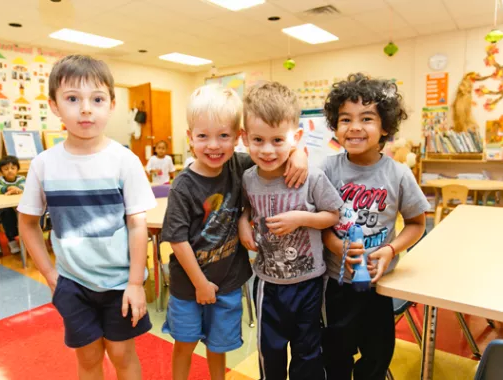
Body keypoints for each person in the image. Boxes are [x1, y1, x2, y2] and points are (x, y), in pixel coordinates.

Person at [18, 54, 156, 380]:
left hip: (121, 282)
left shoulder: (125, 161)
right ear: (54, 105)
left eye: (96, 99)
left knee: (122, 354)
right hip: (73, 283)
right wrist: (51, 274)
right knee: (89, 356)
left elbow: (138, 224)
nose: (85, 109)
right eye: (72, 99)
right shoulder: (44, 165)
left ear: (111, 104)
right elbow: (27, 222)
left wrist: (135, 283)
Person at [161, 83, 308, 380]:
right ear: (190, 138)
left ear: (237, 138)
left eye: (223, 136)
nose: (213, 146)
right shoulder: (183, 186)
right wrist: (200, 284)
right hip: (189, 285)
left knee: (219, 346)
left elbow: (276, 154)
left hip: (228, 283)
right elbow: (177, 241)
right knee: (185, 344)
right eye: (203, 136)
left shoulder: (240, 165)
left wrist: (299, 155)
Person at [320, 73, 430, 380]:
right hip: (336, 284)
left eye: (366, 118)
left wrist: (390, 250)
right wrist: (335, 245)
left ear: (385, 127)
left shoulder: (398, 174)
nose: (354, 127)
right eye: (345, 119)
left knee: (376, 357)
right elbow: (319, 223)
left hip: (380, 287)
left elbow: (416, 223)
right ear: (336, 126)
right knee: (335, 356)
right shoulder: (326, 169)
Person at [238, 81, 342, 380]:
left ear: (295, 138)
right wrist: (244, 222)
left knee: (307, 352)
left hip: (308, 283)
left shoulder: (311, 176)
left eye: (277, 140)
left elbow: (333, 215)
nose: (267, 150)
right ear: (245, 138)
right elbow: (246, 207)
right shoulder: (247, 178)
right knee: (269, 352)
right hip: (268, 284)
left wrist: (301, 218)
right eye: (258, 140)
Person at [0, 155, 25, 254]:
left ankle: (27, 238)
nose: (10, 171)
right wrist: (7, 189)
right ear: (1, 171)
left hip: (19, 207)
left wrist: (17, 189)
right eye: (6, 169)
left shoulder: (21, 178)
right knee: (6, 213)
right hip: (4, 208)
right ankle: (11, 241)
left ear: (17, 169)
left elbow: (24, 186)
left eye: (13, 168)